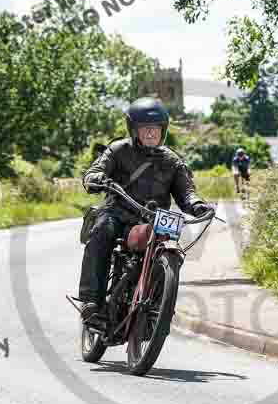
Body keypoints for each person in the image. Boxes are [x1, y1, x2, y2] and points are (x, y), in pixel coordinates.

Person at [78, 97, 212, 323]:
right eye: (145, 129)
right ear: (134, 130)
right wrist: (95, 177)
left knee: (173, 253)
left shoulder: (172, 161)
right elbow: (96, 170)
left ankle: (157, 310)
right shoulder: (118, 150)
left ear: (163, 130)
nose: (151, 133)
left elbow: (186, 192)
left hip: (156, 219)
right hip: (119, 213)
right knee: (102, 230)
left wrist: (197, 205)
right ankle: (92, 301)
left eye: (156, 129)